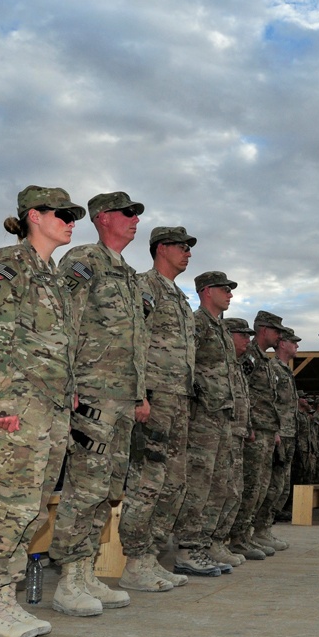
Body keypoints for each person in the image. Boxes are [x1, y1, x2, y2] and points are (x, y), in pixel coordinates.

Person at [0, 185, 83, 637]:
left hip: (49, 411)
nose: (71, 220)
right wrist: (3, 402)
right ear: (34, 215)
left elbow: (58, 347)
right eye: (63, 213)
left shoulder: (52, 275)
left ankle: (3, 600)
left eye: (74, 214)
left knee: (31, 510)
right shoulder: (6, 265)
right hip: (19, 408)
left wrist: (68, 391)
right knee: (7, 506)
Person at [49, 191, 148, 617]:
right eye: (128, 214)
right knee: (84, 486)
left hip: (123, 400)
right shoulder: (83, 260)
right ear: (104, 218)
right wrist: (68, 382)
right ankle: (69, 579)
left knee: (107, 490)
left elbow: (135, 340)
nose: (135, 221)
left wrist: (140, 393)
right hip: (91, 395)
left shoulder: (127, 273)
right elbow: (64, 321)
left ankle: (87, 570)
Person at [117, 227, 197, 592]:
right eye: (182, 247)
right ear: (161, 249)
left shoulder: (179, 298)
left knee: (175, 482)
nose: (188, 254)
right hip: (154, 395)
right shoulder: (143, 286)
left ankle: (150, 556)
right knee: (147, 482)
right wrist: (139, 395)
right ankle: (134, 560)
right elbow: (132, 339)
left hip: (178, 398)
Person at [170, 270, 238, 578]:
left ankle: (204, 543)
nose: (230, 294)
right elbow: (186, 363)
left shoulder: (220, 329)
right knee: (197, 483)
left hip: (221, 415)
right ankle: (187, 548)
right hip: (202, 415)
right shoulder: (197, 324)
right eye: (225, 289)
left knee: (217, 483)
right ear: (207, 291)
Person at [228, 310, 284, 559]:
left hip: (265, 430)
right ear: (264, 330)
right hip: (253, 431)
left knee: (260, 487)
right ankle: (238, 538)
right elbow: (244, 392)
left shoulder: (264, 360)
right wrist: (248, 424)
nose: (279, 336)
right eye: (276, 331)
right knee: (250, 486)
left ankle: (247, 535)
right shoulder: (249, 357)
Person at [202, 316, 255, 568]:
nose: (248, 340)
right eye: (242, 335)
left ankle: (218, 541)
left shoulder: (238, 365)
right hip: (221, 432)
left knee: (233, 491)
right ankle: (207, 543)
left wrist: (247, 427)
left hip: (236, 434)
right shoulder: (220, 362)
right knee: (219, 491)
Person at [253, 326, 300, 551]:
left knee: (281, 487)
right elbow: (270, 402)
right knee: (270, 485)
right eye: (294, 342)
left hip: (288, 433)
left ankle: (265, 529)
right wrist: (277, 431)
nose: (297, 346)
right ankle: (258, 530)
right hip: (278, 433)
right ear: (283, 344)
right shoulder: (273, 367)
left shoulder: (285, 370)